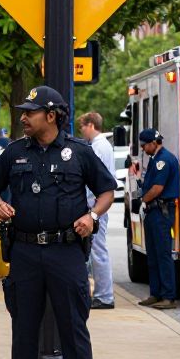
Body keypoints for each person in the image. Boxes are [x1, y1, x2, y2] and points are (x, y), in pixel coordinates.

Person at [0, 85, 116, 359]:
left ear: (52, 115)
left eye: (31, 112)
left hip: (66, 250)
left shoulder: (79, 152)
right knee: (24, 326)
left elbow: (106, 190)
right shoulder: (14, 152)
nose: (24, 117)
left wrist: (92, 216)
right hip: (25, 250)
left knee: (73, 326)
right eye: (23, 112)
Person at [136, 128, 180, 310]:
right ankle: (156, 293)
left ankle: (168, 296)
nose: (143, 149)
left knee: (163, 255)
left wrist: (143, 200)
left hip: (161, 211)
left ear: (153, 143)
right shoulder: (156, 159)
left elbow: (157, 188)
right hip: (153, 211)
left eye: (144, 145)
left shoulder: (164, 160)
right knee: (153, 255)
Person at [78, 112, 115, 310]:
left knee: (98, 252)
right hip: (97, 206)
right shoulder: (102, 146)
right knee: (96, 251)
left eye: (82, 127)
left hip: (95, 207)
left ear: (91, 125)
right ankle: (103, 293)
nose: (82, 131)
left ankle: (104, 296)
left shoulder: (98, 147)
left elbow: (92, 178)